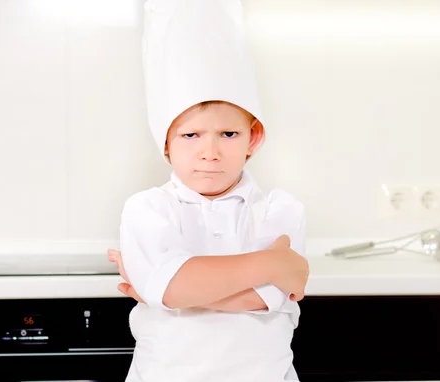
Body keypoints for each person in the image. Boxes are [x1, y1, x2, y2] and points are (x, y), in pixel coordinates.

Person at [107, 0, 309, 381]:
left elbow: (261, 297)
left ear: (254, 137)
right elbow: (174, 290)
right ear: (165, 143)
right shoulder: (147, 209)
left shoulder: (281, 209)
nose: (210, 152)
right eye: (191, 135)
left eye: (228, 134)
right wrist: (273, 263)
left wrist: (170, 290)